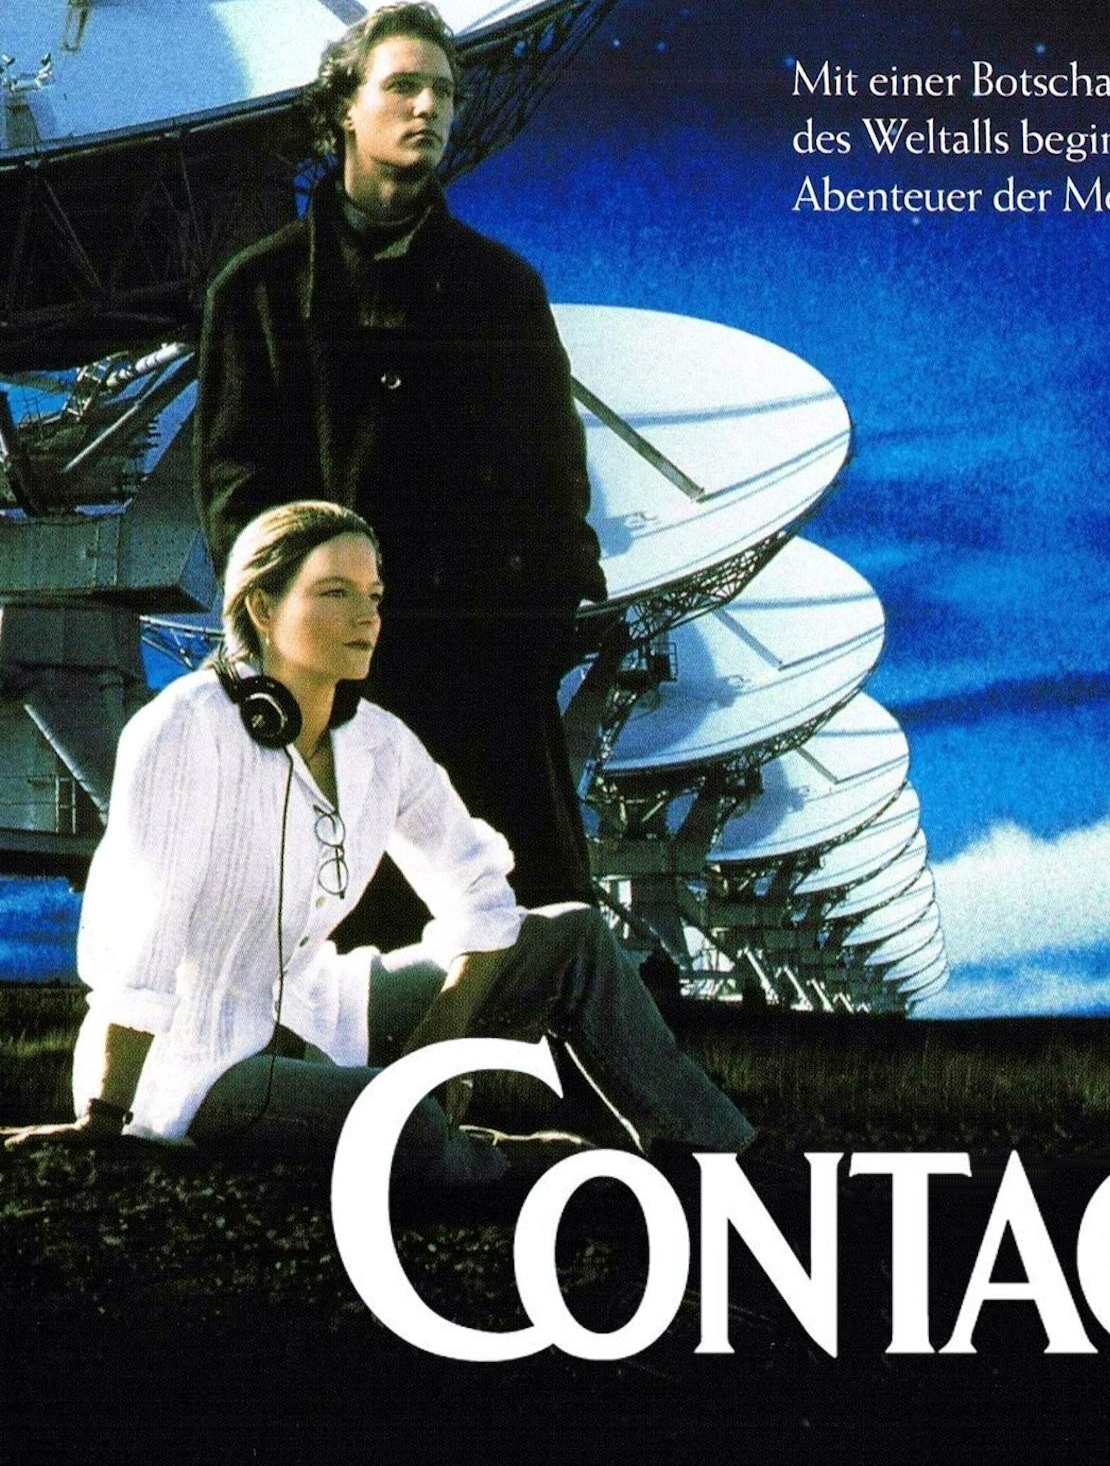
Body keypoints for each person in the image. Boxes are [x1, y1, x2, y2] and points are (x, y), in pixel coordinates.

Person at [4, 503, 752, 1183]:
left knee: (574, 939)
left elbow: (480, 894)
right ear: (262, 607)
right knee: (406, 1130)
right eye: (335, 593)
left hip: (322, 1008)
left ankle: (721, 1157)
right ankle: (559, 1174)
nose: (365, 615)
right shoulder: (184, 730)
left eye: (374, 595)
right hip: (199, 1066)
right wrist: (103, 1118)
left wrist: (439, 1043)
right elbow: (141, 943)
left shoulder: (379, 745)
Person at [194, 1, 606, 941]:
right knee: (333, 961)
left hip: (485, 689)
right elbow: (238, 501)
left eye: (445, 92)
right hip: (335, 689)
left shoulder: (504, 293)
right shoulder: (255, 294)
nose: (429, 108)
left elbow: (555, 488)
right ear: (346, 106)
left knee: (520, 945)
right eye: (404, 85)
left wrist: (539, 630)